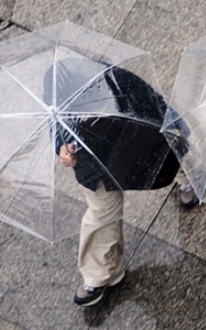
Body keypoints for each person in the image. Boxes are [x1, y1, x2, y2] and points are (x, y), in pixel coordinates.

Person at [49, 58, 182, 306]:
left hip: (135, 142)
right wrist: (61, 148)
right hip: (94, 165)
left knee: (171, 158)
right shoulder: (58, 86)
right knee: (101, 214)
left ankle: (190, 178)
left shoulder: (118, 82)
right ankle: (100, 276)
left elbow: (155, 112)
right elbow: (54, 124)